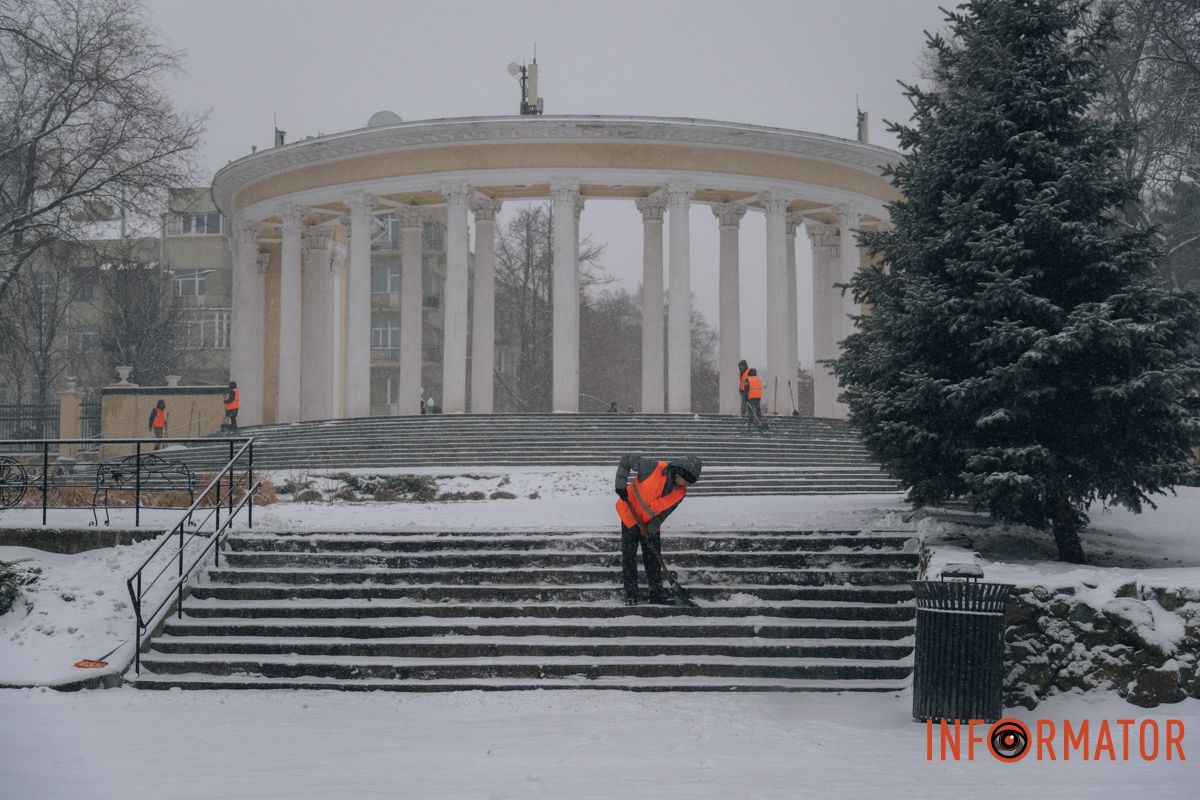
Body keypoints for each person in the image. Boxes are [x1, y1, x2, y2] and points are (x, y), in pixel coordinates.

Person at [614, 453, 702, 605]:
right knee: (629, 557)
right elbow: (625, 460)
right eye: (686, 480)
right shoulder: (651, 467)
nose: (686, 484)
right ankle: (631, 594)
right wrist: (620, 484)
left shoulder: (680, 493)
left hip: (650, 523)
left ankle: (656, 594)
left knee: (653, 559)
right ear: (679, 472)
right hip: (629, 515)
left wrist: (650, 529)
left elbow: (663, 514)